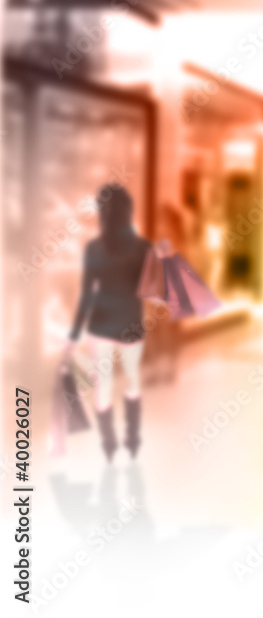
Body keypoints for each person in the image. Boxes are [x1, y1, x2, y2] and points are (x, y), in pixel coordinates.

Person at [62, 183, 158, 462]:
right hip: (130, 323)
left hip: (100, 324)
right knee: (132, 380)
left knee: (102, 385)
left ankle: (109, 444)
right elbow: (150, 291)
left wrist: (73, 334)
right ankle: (133, 438)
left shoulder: (93, 248)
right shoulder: (143, 247)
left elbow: (86, 296)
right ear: (129, 211)